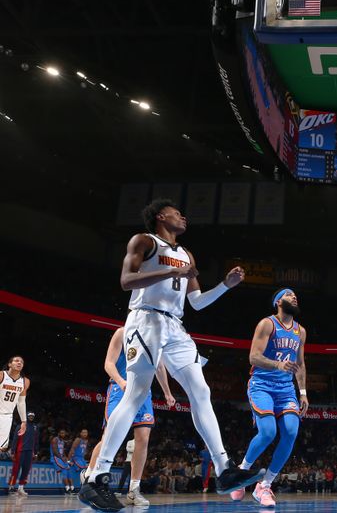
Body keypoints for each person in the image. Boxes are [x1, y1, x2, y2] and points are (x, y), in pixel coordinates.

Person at [79, 199, 263, 512]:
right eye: (178, 213)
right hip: (145, 319)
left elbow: (198, 302)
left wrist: (225, 286)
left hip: (175, 326)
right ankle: (96, 478)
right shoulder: (144, 241)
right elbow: (126, 281)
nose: (184, 217)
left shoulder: (186, 254)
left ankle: (224, 470)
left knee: (201, 390)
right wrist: (167, 272)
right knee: (135, 395)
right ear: (162, 216)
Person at [230, 288, 309, 507]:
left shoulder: (300, 331)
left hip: (286, 389)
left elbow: (300, 364)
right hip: (262, 385)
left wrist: (302, 392)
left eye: (295, 294)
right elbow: (253, 357)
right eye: (289, 294)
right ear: (278, 301)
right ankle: (241, 474)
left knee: (291, 432)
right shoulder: (267, 324)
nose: (294, 296)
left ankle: (264, 486)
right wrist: (277, 364)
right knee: (268, 432)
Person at [83, 327, 175, 507]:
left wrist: (167, 392)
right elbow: (108, 363)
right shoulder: (122, 333)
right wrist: (121, 381)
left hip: (144, 392)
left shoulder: (154, 336)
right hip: (120, 388)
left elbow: (159, 365)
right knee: (109, 437)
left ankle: (134, 490)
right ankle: (89, 477)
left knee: (143, 439)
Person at [0, 356, 29, 453]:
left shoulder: (25, 381)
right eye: (16, 361)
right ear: (9, 364)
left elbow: (21, 402)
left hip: (7, 416)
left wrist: (24, 421)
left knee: (2, 448)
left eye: (22, 362)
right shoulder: (1, 375)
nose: (19, 363)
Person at [8, 411, 37, 495]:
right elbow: (15, 439)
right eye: (30, 416)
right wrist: (13, 451)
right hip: (20, 451)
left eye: (32, 416)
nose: (31, 417)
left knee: (26, 470)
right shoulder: (20, 426)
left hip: (29, 451)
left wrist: (35, 452)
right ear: (26, 416)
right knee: (16, 470)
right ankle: (11, 487)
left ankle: (21, 488)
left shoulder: (35, 427)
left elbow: (36, 441)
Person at [50, 429, 74, 493]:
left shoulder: (63, 441)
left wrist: (67, 460)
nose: (63, 434)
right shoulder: (55, 440)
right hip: (55, 458)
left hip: (60, 458)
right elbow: (55, 452)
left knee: (69, 468)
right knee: (64, 469)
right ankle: (67, 488)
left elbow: (62, 452)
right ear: (59, 433)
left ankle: (72, 488)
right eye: (61, 433)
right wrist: (61, 458)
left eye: (64, 433)